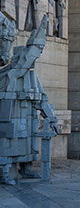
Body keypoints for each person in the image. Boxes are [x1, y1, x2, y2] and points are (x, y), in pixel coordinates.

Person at [0, 12, 59, 185]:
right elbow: (29, 55)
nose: (31, 61)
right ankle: (3, 172)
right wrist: (39, 34)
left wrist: (52, 118)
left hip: (26, 118)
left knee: (29, 143)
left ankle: (26, 168)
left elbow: (42, 99)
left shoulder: (30, 77)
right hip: (9, 118)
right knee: (7, 142)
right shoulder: (9, 75)